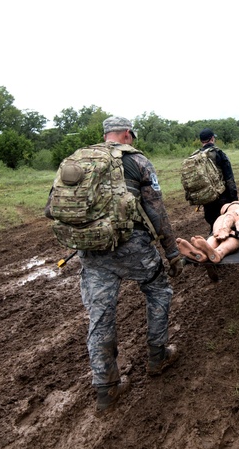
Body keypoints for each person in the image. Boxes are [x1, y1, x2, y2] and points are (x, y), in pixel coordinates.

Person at [46, 115, 186, 415]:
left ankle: (106, 388)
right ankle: (157, 355)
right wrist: (171, 252)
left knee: (100, 315)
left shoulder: (79, 160)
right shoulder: (137, 162)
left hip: (92, 249)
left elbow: (52, 207)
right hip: (133, 247)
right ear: (126, 135)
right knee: (158, 291)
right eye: (131, 136)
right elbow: (156, 209)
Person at [177, 197, 239, 263]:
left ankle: (204, 253)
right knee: (221, 232)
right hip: (231, 217)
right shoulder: (233, 205)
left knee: (235, 232)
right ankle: (213, 252)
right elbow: (224, 210)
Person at [197, 128, 239, 231]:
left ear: (201, 141)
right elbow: (229, 179)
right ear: (212, 139)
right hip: (222, 199)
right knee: (228, 228)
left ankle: (211, 244)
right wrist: (234, 200)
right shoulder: (219, 154)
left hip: (207, 200)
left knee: (213, 227)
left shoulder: (197, 156)